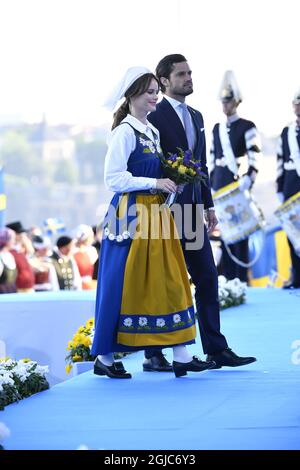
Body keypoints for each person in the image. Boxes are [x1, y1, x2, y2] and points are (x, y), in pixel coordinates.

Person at [91, 66, 215, 378]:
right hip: (131, 217)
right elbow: (113, 178)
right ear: (132, 95)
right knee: (123, 284)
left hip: (157, 215)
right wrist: (155, 182)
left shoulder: (151, 131)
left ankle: (181, 352)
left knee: (169, 279)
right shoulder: (124, 132)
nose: (154, 97)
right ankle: (105, 357)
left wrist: (172, 183)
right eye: (149, 92)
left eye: (155, 92)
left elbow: (154, 174)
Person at [147, 54, 256, 370]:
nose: (189, 78)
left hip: (193, 213)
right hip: (165, 213)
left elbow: (201, 167)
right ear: (164, 80)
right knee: (164, 282)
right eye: (182, 74)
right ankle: (155, 353)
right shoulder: (153, 113)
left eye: (190, 73)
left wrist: (208, 205)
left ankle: (216, 348)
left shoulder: (196, 116)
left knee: (208, 277)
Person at [209, 70, 262, 283]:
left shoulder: (247, 126)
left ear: (236, 102)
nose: (225, 105)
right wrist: (211, 184)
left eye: (228, 101)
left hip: (237, 184)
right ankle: (229, 279)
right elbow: (212, 159)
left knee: (241, 234)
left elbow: (254, 156)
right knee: (225, 234)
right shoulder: (216, 129)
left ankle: (242, 279)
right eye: (223, 101)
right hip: (220, 184)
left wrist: (249, 179)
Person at [276, 89, 300, 289]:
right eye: (296, 103)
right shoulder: (287, 132)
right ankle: (297, 276)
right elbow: (280, 161)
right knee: (293, 232)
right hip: (291, 185)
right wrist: (279, 187)